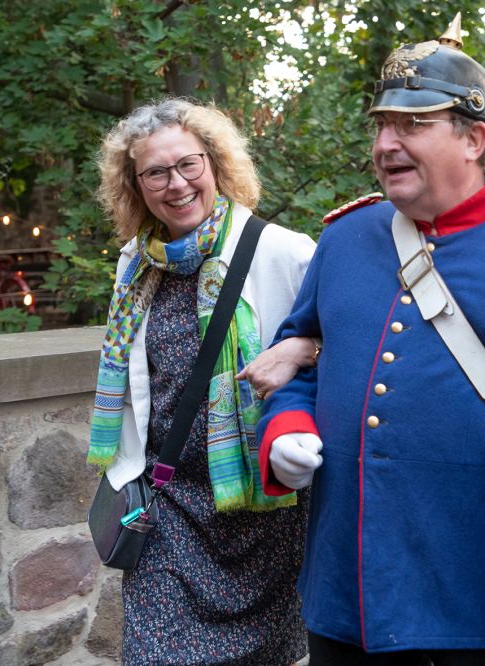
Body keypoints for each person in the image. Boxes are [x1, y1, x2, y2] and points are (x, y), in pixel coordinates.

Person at [257, 15, 485, 666]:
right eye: (381, 124)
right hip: (346, 594)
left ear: (473, 138)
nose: (385, 143)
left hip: (479, 606)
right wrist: (285, 426)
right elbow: (299, 358)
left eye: (412, 125)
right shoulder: (345, 238)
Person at [86, 98, 318, 665]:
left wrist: (303, 347)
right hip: (168, 505)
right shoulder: (134, 263)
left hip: (264, 510)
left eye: (189, 164)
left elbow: (349, 344)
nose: (177, 184)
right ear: (136, 186)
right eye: (156, 173)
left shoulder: (283, 251)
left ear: (215, 164)